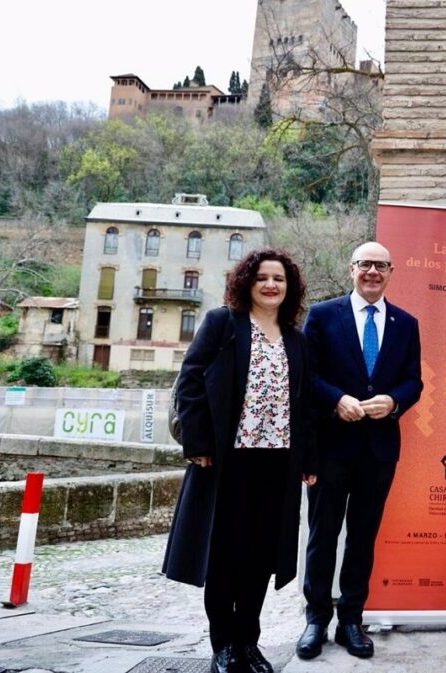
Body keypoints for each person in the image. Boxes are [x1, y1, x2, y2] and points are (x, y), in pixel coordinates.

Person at [162, 248, 318, 673]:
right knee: (223, 557)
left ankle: (249, 642)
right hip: (226, 463)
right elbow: (191, 380)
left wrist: (308, 458)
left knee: (259, 559)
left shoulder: (296, 338)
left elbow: (304, 407)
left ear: (290, 288)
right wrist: (197, 443)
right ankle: (224, 647)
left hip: (277, 465)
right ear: (247, 282)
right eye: (263, 277)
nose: (271, 285)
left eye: (280, 279)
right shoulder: (223, 324)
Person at [297, 241, 423, 660]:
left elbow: (413, 381)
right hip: (331, 447)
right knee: (323, 535)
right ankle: (316, 619)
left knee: (363, 537)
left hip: (379, 449)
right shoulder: (322, 315)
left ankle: (351, 619)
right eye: (365, 264)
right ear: (352, 269)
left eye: (380, 266)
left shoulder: (407, 323)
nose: (372, 271)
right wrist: (335, 399)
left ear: (391, 272)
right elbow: (306, 374)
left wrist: (395, 401)